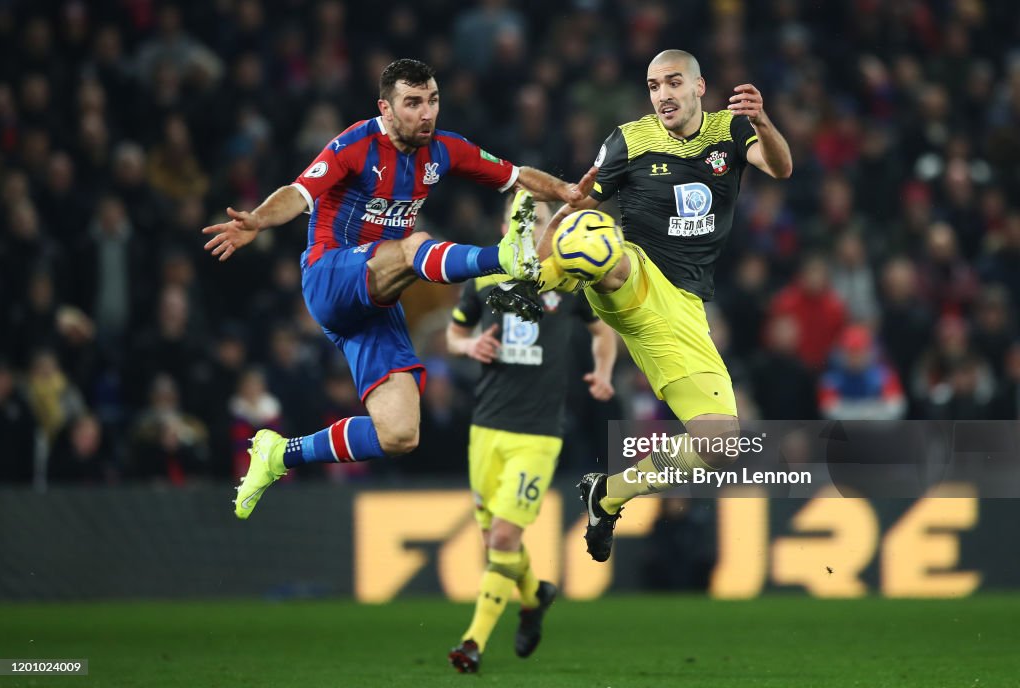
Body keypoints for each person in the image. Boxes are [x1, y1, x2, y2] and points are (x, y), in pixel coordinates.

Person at [202, 59, 593, 518]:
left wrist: (566, 191)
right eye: (413, 103)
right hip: (331, 275)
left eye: (432, 100)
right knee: (413, 248)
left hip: (376, 301)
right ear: (386, 108)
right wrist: (260, 219)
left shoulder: (445, 150)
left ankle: (279, 454)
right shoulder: (355, 144)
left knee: (401, 433)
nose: (426, 113)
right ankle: (507, 258)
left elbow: (516, 174)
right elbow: (299, 191)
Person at [537, 49, 793, 561]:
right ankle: (543, 285)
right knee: (602, 247)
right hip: (637, 274)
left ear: (699, 87)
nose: (662, 95)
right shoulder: (628, 139)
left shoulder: (731, 131)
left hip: (684, 308)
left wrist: (763, 121)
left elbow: (781, 167)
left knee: (721, 444)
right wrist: (545, 253)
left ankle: (608, 494)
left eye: (673, 83)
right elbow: (581, 202)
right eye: (653, 86)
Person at [445, 200, 617, 673]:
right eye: (523, 220)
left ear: (555, 228)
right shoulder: (482, 278)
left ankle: (472, 642)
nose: (532, 227)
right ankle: (534, 595)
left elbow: (605, 333)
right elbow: (453, 334)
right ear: (505, 226)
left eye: (541, 220)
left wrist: (603, 371)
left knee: (503, 535)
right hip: (486, 428)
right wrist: (467, 345)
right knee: (494, 543)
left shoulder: (570, 278)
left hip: (537, 435)